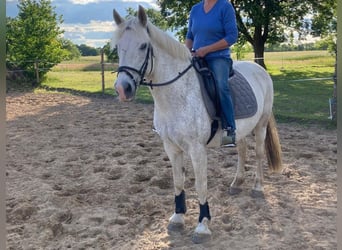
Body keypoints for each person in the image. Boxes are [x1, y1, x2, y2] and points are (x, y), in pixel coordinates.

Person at [185, 0, 238, 147]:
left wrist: (207, 49)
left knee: (221, 86)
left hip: (218, 57)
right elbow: (190, 35)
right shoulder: (195, 9)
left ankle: (229, 129)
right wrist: (186, 52)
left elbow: (232, 36)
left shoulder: (225, 7)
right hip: (196, 56)